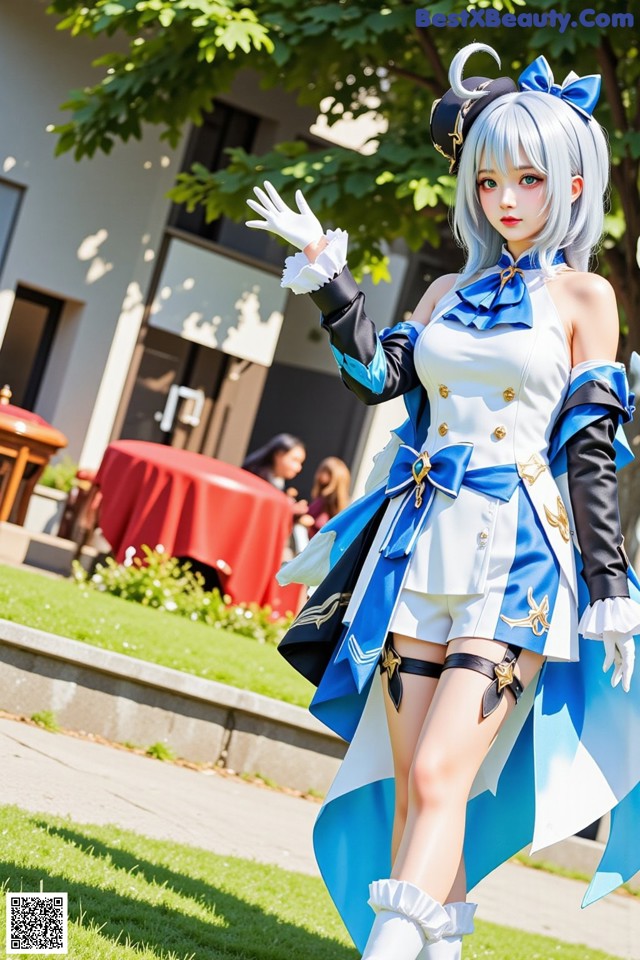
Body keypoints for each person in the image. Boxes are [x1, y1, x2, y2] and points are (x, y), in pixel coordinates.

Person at [245, 43, 640, 960]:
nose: (507, 198)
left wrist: (611, 581)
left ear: (574, 186)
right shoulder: (447, 288)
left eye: (530, 178)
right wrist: (329, 278)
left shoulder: (587, 296)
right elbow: (379, 375)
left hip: (522, 560)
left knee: (438, 767)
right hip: (421, 547)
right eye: (491, 177)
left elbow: (588, 451)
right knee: (418, 783)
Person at [307, 456, 351, 537]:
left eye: (328, 473)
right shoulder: (321, 498)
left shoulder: (327, 502)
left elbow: (320, 524)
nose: (322, 476)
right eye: (322, 470)